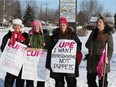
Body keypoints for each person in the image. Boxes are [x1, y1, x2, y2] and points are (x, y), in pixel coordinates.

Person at [46, 17, 82, 87]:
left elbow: (79, 46)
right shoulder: (54, 37)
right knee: (59, 83)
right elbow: (50, 51)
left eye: (64, 25)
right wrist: (48, 63)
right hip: (58, 64)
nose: (62, 27)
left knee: (71, 82)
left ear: (66, 25)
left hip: (69, 64)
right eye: (61, 25)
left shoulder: (73, 36)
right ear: (59, 26)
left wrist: (74, 50)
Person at [85, 16, 114, 87]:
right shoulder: (93, 33)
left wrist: (108, 58)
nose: (98, 23)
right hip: (91, 62)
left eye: (100, 22)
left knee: (102, 83)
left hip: (101, 61)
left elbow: (110, 48)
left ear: (104, 24)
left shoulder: (107, 35)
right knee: (90, 81)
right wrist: (92, 37)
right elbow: (87, 45)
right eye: (97, 22)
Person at [1, 19, 28, 87]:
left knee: (20, 82)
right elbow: (2, 48)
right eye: (15, 26)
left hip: (21, 64)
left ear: (21, 27)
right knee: (8, 82)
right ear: (12, 27)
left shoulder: (25, 36)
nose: (17, 28)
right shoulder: (8, 36)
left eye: (18, 26)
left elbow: (29, 47)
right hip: (11, 62)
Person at [25, 20, 46, 87]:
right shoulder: (30, 36)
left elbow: (48, 47)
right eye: (34, 26)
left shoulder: (44, 36)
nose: (36, 28)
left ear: (40, 27)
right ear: (32, 27)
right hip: (31, 62)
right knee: (29, 80)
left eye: (37, 26)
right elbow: (25, 46)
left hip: (41, 62)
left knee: (40, 80)